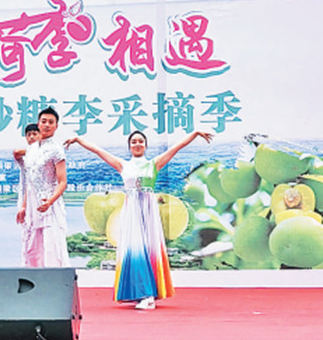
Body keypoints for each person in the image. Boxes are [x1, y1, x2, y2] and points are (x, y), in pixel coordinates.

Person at [65, 130, 212, 310]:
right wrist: (79, 140)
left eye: (140, 141)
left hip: (148, 211)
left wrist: (195, 134)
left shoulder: (153, 164)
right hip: (132, 212)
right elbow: (98, 151)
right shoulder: (123, 165)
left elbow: (177, 147)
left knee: (149, 250)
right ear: (129, 146)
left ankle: (148, 295)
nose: (137, 144)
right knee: (135, 251)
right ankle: (140, 292)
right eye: (133, 141)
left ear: (146, 145)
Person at [15, 108, 69, 267]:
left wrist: (50, 201)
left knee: (52, 246)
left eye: (51, 122)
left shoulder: (56, 150)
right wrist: (24, 206)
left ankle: (55, 280)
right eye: (43, 121)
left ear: (56, 126)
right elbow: (30, 182)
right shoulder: (31, 149)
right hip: (32, 205)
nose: (46, 125)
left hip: (49, 204)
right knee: (33, 246)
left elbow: (62, 182)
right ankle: (32, 280)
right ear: (38, 124)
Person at [13, 123, 40, 266]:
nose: (32, 137)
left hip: (41, 200)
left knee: (40, 234)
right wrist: (36, 149)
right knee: (27, 233)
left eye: (35, 134)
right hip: (25, 198)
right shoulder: (26, 156)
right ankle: (27, 266)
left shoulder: (46, 155)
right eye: (29, 135)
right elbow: (16, 153)